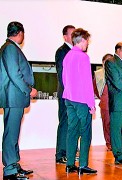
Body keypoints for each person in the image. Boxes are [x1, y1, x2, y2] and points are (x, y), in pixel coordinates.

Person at [0, 21, 37, 180]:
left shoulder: (8, 48)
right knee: (11, 134)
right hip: (13, 98)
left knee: (12, 133)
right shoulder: (10, 49)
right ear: (20, 33)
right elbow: (15, 74)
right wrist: (28, 89)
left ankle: (14, 164)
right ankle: (10, 169)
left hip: (14, 98)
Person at [62, 28, 97, 174]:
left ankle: (70, 164)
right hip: (82, 100)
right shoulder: (83, 57)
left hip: (69, 98)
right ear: (82, 40)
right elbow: (87, 82)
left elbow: (64, 79)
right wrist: (92, 103)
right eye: (87, 40)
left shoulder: (68, 56)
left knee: (72, 131)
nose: (88, 43)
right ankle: (83, 164)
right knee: (86, 132)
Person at [55, 25, 75, 164]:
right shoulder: (62, 51)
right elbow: (63, 73)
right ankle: (61, 154)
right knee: (64, 123)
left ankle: (70, 151)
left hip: (74, 94)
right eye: (72, 34)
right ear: (65, 37)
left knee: (72, 124)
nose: (75, 37)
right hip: (66, 93)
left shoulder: (75, 51)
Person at [93, 53, 113, 151]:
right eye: (107, 61)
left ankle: (118, 144)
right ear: (103, 63)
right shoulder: (98, 74)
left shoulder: (117, 72)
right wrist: (103, 96)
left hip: (117, 103)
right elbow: (95, 89)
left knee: (118, 124)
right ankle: (109, 143)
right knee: (107, 123)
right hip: (105, 102)